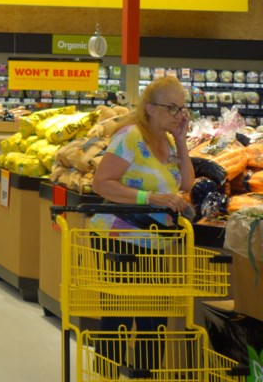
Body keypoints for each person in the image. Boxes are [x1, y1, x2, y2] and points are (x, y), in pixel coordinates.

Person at [89, 75, 195, 373]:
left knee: (154, 319)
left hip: (154, 240)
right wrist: (149, 197)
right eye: (171, 108)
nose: (178, 115)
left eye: (182, 109)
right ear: (149, 107)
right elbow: (102, 183)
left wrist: (182, 141)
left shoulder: (168, 141)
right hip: (119, 237)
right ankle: (106, 376)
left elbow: (186, 183)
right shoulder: (130, 137)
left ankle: (147, 376)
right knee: (120, 316)